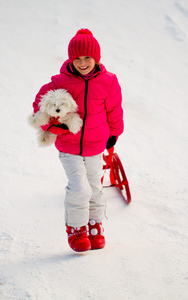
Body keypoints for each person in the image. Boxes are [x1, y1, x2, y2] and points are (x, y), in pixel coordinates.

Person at [32, 28, 124, 252]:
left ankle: (95, 224)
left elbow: (114, 110)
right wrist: (51, 126)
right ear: (71, 59)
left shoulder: (109, 81)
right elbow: (39, 106)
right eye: (77, 58)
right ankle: (76, 228)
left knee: (94, 187)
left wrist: (114, 133)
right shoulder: (59, 82)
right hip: (69, 146)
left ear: (96, 58)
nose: (83, 63)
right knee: (79, 188)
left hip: (95, 144)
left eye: (87, 58)